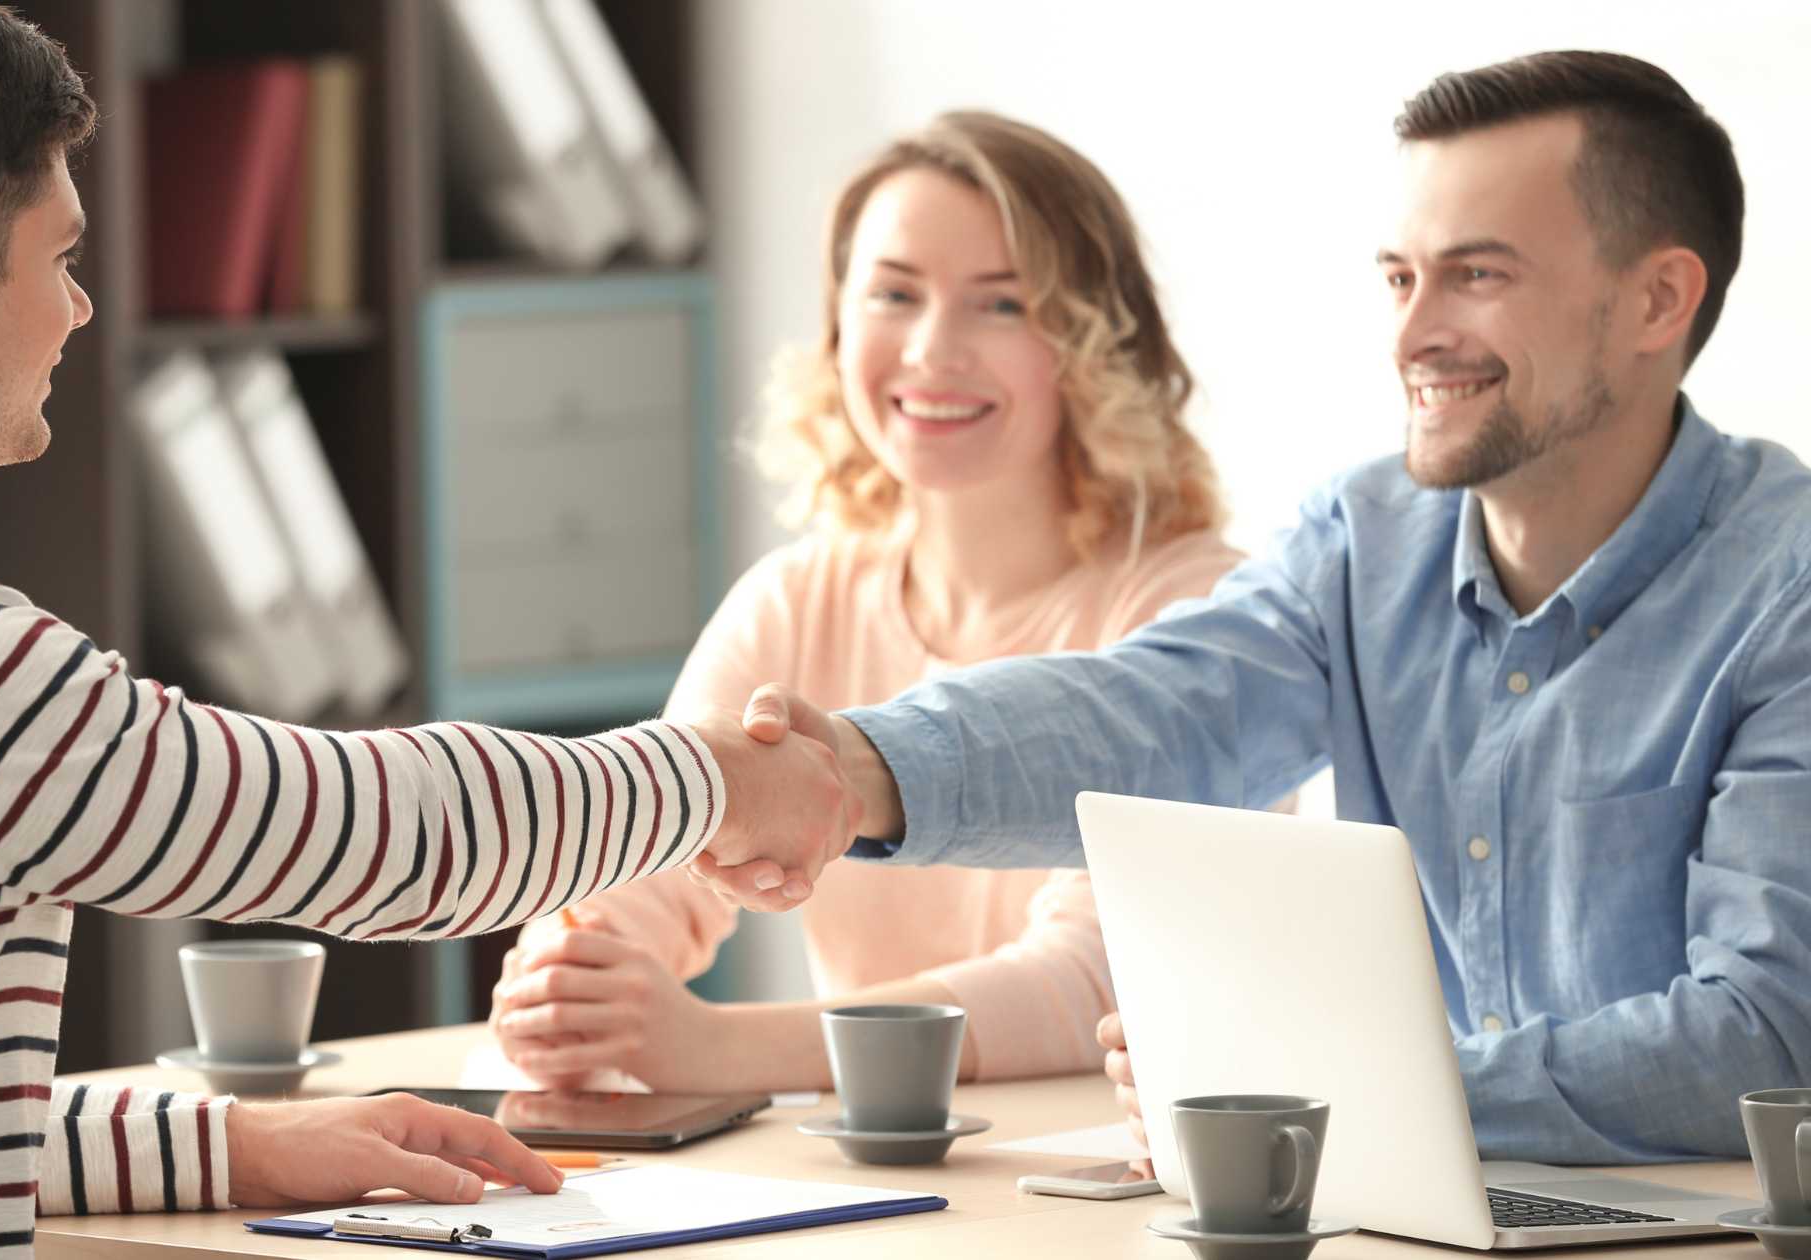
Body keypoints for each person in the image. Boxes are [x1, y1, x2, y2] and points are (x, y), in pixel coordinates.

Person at [0, 2, 851, 1255]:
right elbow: (383, 837)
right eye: (61, 256)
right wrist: (719, 781)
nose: (77, 309)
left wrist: (231, 1143)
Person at [705, 50, 1811, 1164]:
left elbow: (1768, 1036)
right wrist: (858, 770)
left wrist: (1347, 1089)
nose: (1411, 333)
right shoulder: (1359, 541)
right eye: (1397, 278)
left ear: (1657, 300)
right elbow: (1157, 714)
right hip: (1428, 1217)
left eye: (1475, 275)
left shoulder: (1788, 590)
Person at [485, 112, 1248, 1092]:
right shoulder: (794, 602)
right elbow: (645, 856)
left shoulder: (1194, 608)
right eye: (892, 293)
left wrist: (722, 1049)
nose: (931, 351)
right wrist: (570, 976)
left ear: (1096, 343)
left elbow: (1096, 976)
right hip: (861, 1183)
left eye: (1001, 305)